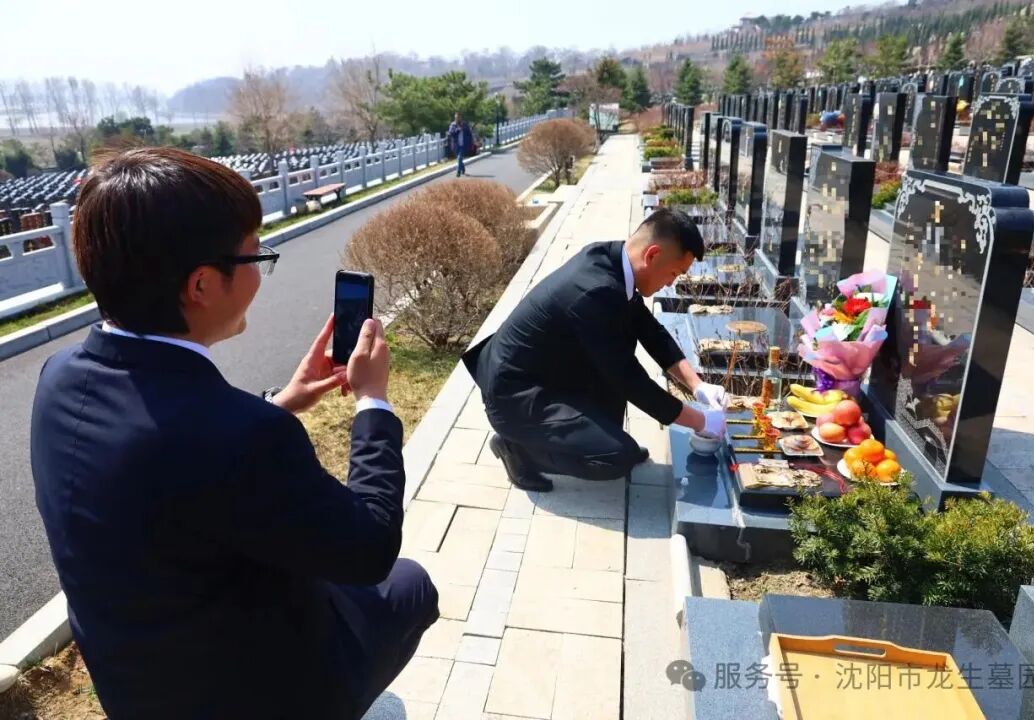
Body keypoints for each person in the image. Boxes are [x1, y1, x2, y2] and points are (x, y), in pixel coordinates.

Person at [30, 147, 437, 720]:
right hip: (255, 690)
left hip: (135, 683)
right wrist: (373, 401)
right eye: (255, 257)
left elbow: (171, 448)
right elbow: (368, 548)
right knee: (409, 584)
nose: (260, 271)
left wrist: (284, 402)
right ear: (201, 284)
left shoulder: (60, 377)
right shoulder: (244, 437)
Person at [462, 208, 729, 492]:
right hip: (514, 396)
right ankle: (517, 449)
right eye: (674, 272)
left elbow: (649, 329)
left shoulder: (613, 260)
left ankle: (590, 437)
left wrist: (698, 386)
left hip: (542, 372)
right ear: (652, 255)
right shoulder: (594, 291)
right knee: (615, 457)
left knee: (614, 368)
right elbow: (629, 378)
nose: (672, 282)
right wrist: (700, 421)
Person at [448, 111, 473, 177]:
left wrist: (471, 143)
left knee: (459, 158)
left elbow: (469, 134)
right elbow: (450, 133)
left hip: (463, 145)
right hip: (456, 145)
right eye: (456, 117)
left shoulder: (465, 125)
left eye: (459, 117)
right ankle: (462, 168)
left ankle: (458, 172)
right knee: (459, 159)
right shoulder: (453, 125)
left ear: (461, 118)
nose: (457, 119)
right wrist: (457, 130)